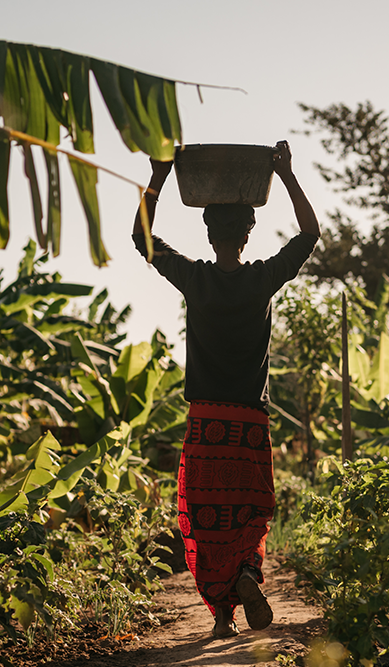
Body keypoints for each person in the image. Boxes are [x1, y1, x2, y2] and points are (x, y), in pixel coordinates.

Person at [131, 141, 320, 639]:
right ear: (249, 232)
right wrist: (285, 175)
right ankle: (247, 575)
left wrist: (160, 175)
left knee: (207, 518)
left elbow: (141, 236)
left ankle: (221, 614)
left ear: (209, 234)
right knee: (251, 514)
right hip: (251, 423)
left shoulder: (195, 278)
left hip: (207, 421)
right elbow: (310, 233)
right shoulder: (262, 280)